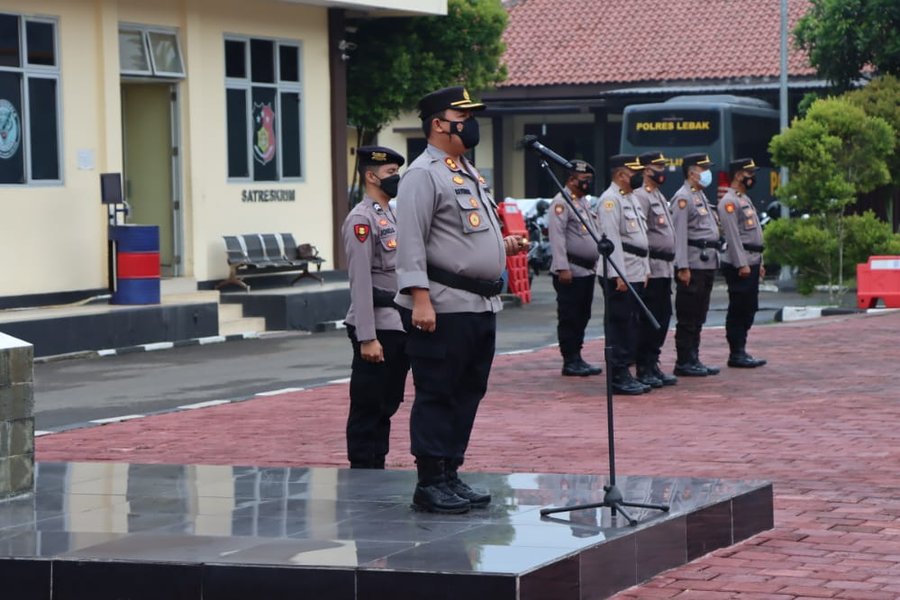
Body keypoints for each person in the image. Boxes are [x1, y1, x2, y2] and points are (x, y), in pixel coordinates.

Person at [394, 86, 528, 514]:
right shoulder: (422, 173)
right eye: (461, 115)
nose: (469, 123)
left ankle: (451, 471)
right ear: (438, 123)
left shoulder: (466, 171)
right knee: (438, 392)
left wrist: (500, 247)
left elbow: (460, 234)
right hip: (443, 305)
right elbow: (411, 241)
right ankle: (429, 480)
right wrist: (420, 299)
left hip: (480, 305)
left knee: (469, 390)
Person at [341, 145, 410, 469]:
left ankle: (376, 464)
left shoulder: (392, 214)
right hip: (376, 327)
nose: (396, 179)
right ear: (371, 176)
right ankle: (363, 470)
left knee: (388, 402)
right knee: (369, 405)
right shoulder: (362, 219)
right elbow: (360, 280)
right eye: (390, 174)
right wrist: (368, 336)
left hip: (397, 324)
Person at [594, 154, 651, 395]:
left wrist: (646, 268)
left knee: (631, 323)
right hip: (620, 271)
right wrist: (618, 274)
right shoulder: (610, 201)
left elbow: (641, 239)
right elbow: (611, 240)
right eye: (633, 172)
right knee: (619, 324)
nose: (638, 176)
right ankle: (618, 374)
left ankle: (626, 370)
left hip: (635, 269)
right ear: (620, 175)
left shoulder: (631, 199)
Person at [547, 160, 602, 377]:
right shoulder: (561, 203)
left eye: (589, 180)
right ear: (571, 180)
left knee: (583, 315)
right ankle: (569, 360)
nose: (588, 183)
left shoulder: (583, 202)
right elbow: (557, 238)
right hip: (570, 270)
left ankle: (578, 356)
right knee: (570, 317)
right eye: (584, 180)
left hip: (586, 271)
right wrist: (562, 267)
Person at [669, 153, 721, 377]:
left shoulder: (699, 195)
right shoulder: (683, 198)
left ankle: (694, 357)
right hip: (692, 262)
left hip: (706, 262)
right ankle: (683, 360)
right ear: (692, 172)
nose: (707, 172)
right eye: (704, 168)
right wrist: (682, 266)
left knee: (699, 314)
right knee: (688, 315)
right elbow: (678, 235)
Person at [632, 151, 678, 388]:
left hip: (665, 268)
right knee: (649, 320)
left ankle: (653, 363)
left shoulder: (659, 196)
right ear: (646, 170)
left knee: (663, 316)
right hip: (652, 268)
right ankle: (643, 366)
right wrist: (645, 268)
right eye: (658, 167)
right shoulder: (641, 196)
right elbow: (641, 235)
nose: (662, 172)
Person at [717, 158, 767, 369]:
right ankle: (736, 352)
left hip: (752, 259)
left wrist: (760, 262)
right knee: (739, 307)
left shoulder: (743, 199)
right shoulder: (729, 201)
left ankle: (742, 349)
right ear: (738, 175)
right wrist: (741, 264)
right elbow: (733, 236)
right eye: (749, 173)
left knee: (749, 307)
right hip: (741, 262)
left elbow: (755, 234)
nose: (752, 178)